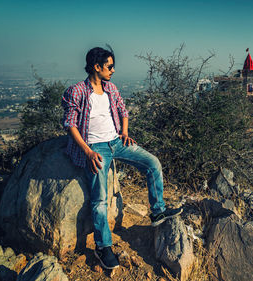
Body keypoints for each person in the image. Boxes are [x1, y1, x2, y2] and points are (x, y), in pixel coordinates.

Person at [61, 47, 182, 270]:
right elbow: (70, 124)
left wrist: (124, 132)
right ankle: (103, 246)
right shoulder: (77, 91)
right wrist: (88, 151)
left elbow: (123, 111)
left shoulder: (111, 88)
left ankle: (158, 211)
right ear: (96, 67)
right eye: (109, 66)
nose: (113, 70)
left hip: (117, 142)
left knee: (152, 163)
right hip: (95, 148)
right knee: (100, 199)